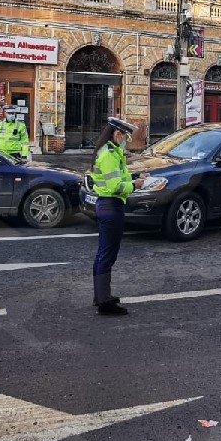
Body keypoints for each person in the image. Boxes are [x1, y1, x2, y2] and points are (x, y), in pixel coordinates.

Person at [89, 116, 145, 315]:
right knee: (107, 255)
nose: (126, 140)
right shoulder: (110, 154)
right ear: (117, 134)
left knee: (103, 254)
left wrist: (135, 177)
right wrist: (134, 186)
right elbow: (114, 186)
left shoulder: (109, 152)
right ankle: (105, 302)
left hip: (106, 206)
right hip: (111, 207)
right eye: (125, 136)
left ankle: (101, 297)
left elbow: (117, 176)